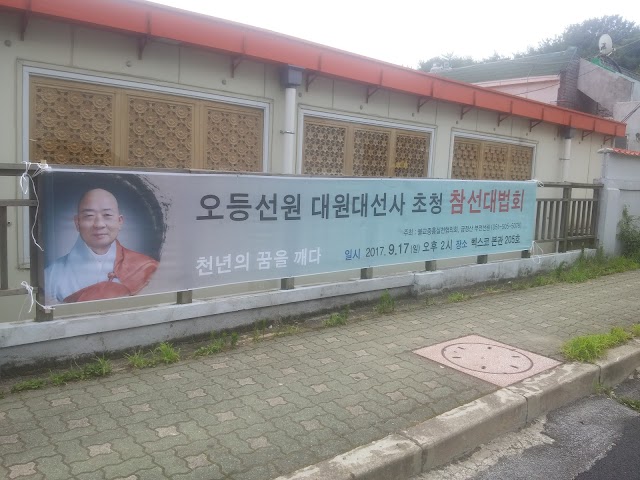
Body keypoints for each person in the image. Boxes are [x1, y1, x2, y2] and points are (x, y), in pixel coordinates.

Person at [44, 188, 159, 303]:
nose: (99, 224)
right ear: (77, 222)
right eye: (89, 216)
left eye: (107, 215)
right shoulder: (52, 274)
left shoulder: (147, 267)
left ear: (120, 221)